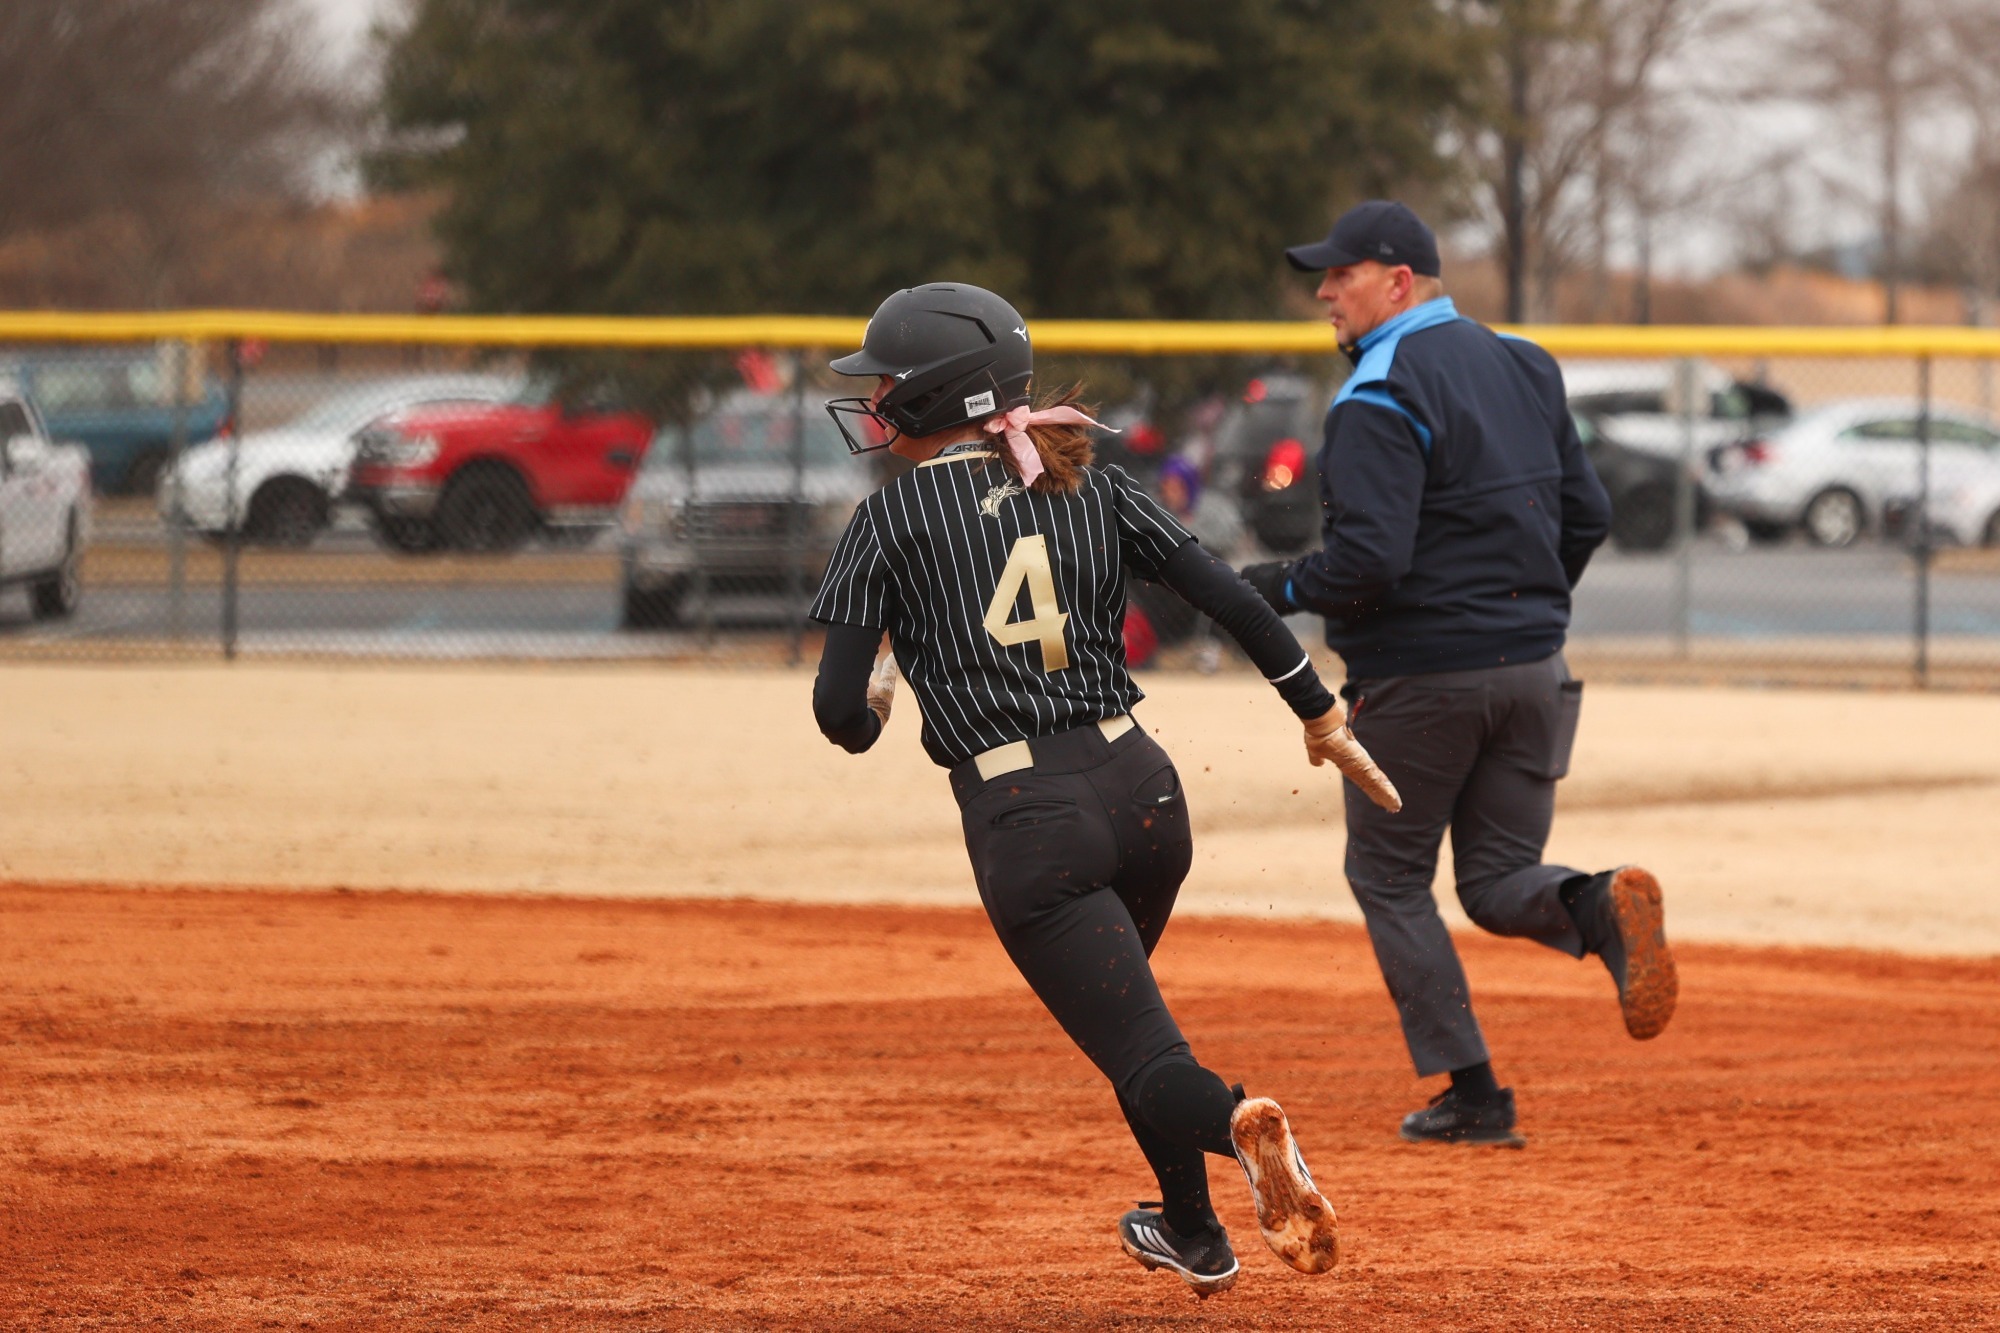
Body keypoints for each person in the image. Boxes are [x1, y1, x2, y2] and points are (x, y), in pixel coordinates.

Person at [809, 282, 1400, 1295]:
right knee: (1135, 1026)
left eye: (885, 387)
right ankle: (1191, 1232)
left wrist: (873, 694)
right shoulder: (1092, 480)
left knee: (1144, 1057)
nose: (872, 404)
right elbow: (1230, 597)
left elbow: (840, 722)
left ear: (929, 399)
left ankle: (1239, 1128)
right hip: (1142, 790)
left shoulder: (888, 517)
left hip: (1026, 818)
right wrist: (1321, 716)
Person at [1237, 201, 1677, 1148]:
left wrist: (1260, 587)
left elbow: (1367, 566)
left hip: (1421, 681)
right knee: (1497, 877)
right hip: (1534, 671)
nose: (1323, 292)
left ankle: (1474, 1093)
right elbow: (1589, 513)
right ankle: (1598, 903)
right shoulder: (1523, 361)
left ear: (1398, 283)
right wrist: (1521, 612)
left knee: (1389, 877)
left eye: (1340, 275)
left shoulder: (1374, 394)